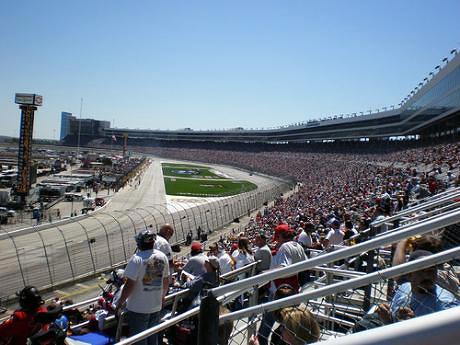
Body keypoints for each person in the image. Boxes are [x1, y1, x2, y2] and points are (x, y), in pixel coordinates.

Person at [115, 229, 169, 345]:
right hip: (156, 306)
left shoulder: (137, 259)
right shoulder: (162, 257)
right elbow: (166, 280)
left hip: (138, 308)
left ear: (140, 243)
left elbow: (129, 285)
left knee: (139, 340)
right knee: (152, 338)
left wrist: (120, 303)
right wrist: (162, 297)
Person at [390, 250, 459, 321]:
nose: (427, 276)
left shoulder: (446, 303)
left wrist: (414, 323)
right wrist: (386, 317)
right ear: (409, 274)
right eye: (421, 271)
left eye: (431, 270)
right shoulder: (404, 288)